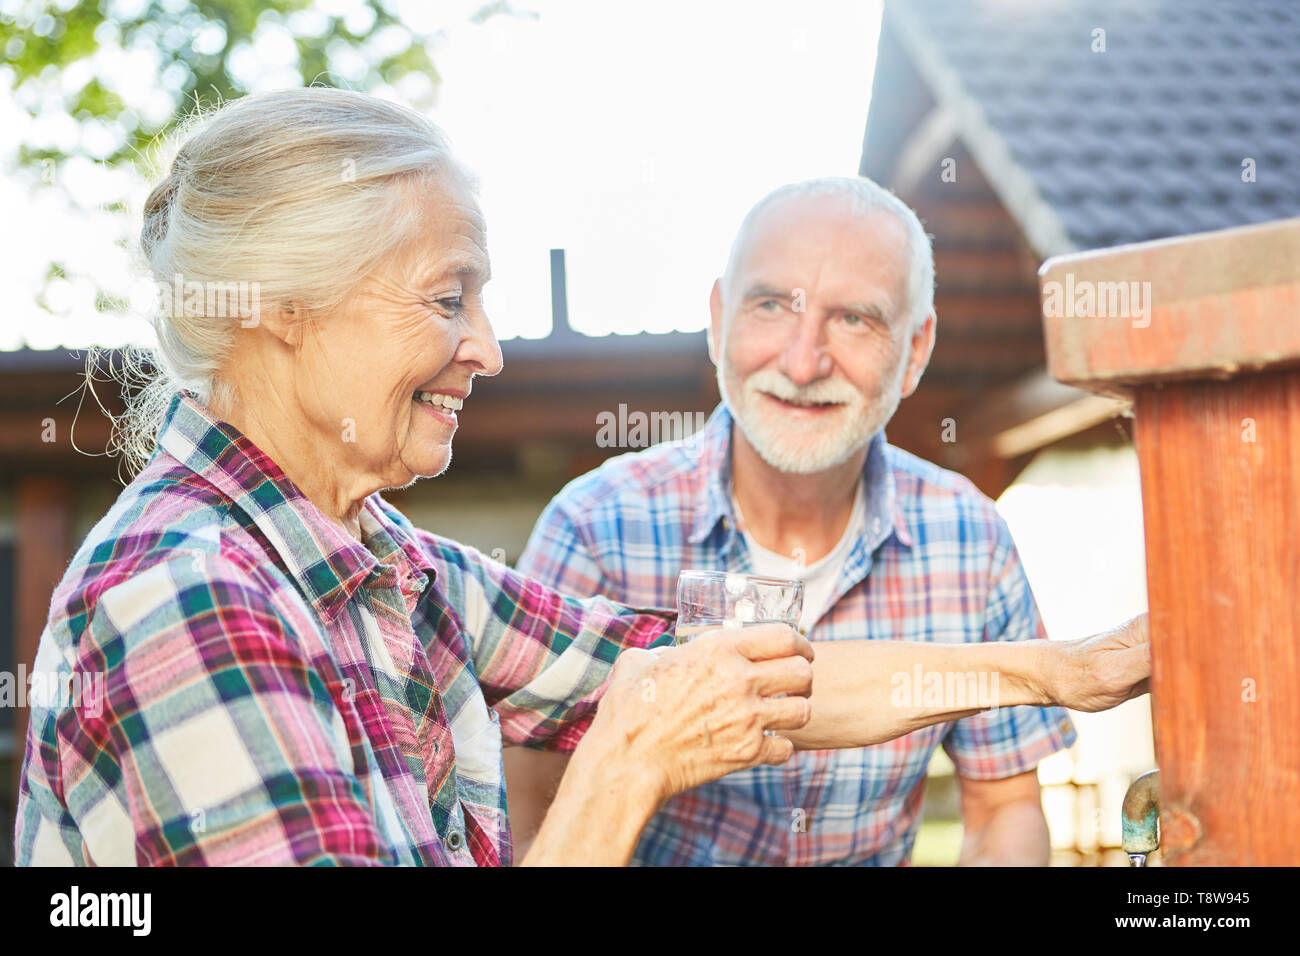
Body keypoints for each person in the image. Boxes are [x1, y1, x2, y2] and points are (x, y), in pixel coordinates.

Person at [14, 89, 1146, 867]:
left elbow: (753, 683)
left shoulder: (392, 569)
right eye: (446, 296)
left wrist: (1065, 670)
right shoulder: (185, 593)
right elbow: (629, 745)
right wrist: (629, 761)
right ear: (277, 307)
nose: (489, 348)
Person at [505, 176, 1144, 866]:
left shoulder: (971, 536)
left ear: (917, 350)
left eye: (855, 319)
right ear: (719, 319)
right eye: (771, 305)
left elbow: (1004, 812)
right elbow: (535, 831)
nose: (804, 362)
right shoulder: (596, 529)